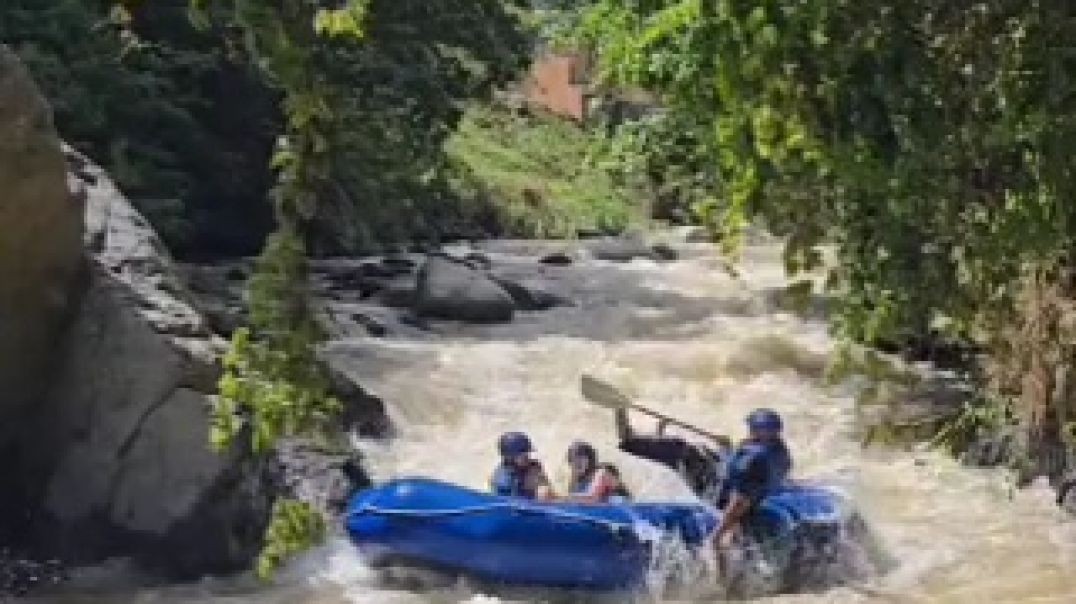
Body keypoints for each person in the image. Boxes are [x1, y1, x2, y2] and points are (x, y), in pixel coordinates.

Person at [713, 408, 793, 549]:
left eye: (753, 428)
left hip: (732, 510)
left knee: (721, 544)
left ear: (763, 431)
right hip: (755, 504)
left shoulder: (753, 459)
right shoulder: (781, 453)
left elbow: (740, 499)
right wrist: (727, 449)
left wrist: (718, 534)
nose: (749, 431)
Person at [614, 408, 731, 503]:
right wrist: (725, 447)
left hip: (699, 470)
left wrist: (724, 448)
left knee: (676, 449)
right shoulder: (726, 466)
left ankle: (622, 415)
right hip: (697, 466)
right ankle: (623, 416)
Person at [490, 431, 554, 501]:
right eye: (523, 455)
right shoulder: (504, 482)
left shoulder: (533, 466)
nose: (527, 457)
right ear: (510, 458)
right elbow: (513, 506)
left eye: (527, 454)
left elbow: (549, 490)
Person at [564, 440, 631, 504]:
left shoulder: (602, 473)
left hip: (626, 510)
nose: (577, 462)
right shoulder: (576, 482)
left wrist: (563, 498)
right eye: (573, 459)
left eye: (581, 457)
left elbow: (592, 499)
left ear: (590, 459)